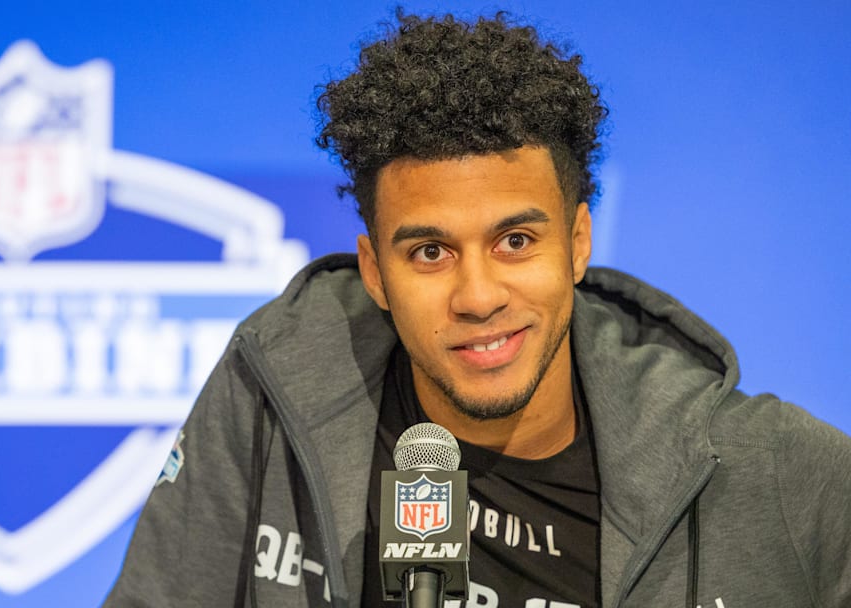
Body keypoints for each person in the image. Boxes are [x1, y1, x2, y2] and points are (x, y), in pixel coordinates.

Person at [103, 11, 851, 608]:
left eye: (515, 241)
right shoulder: (275, 386)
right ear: (375, 272)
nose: (479, 296)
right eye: (430, 252)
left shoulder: (779, 472)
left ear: (578, 243)